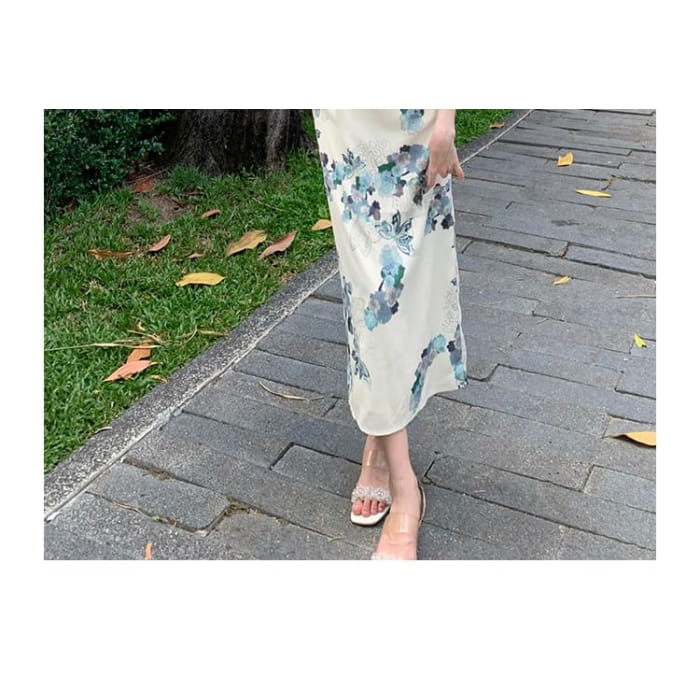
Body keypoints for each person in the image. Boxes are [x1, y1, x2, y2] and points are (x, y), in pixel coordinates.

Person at [312, 109, 467, 560]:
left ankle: (380, 447)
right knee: (372, 300)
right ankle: (405, 488)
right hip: (346, 125)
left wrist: (446, 122)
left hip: (415, 121)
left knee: (405, 293)